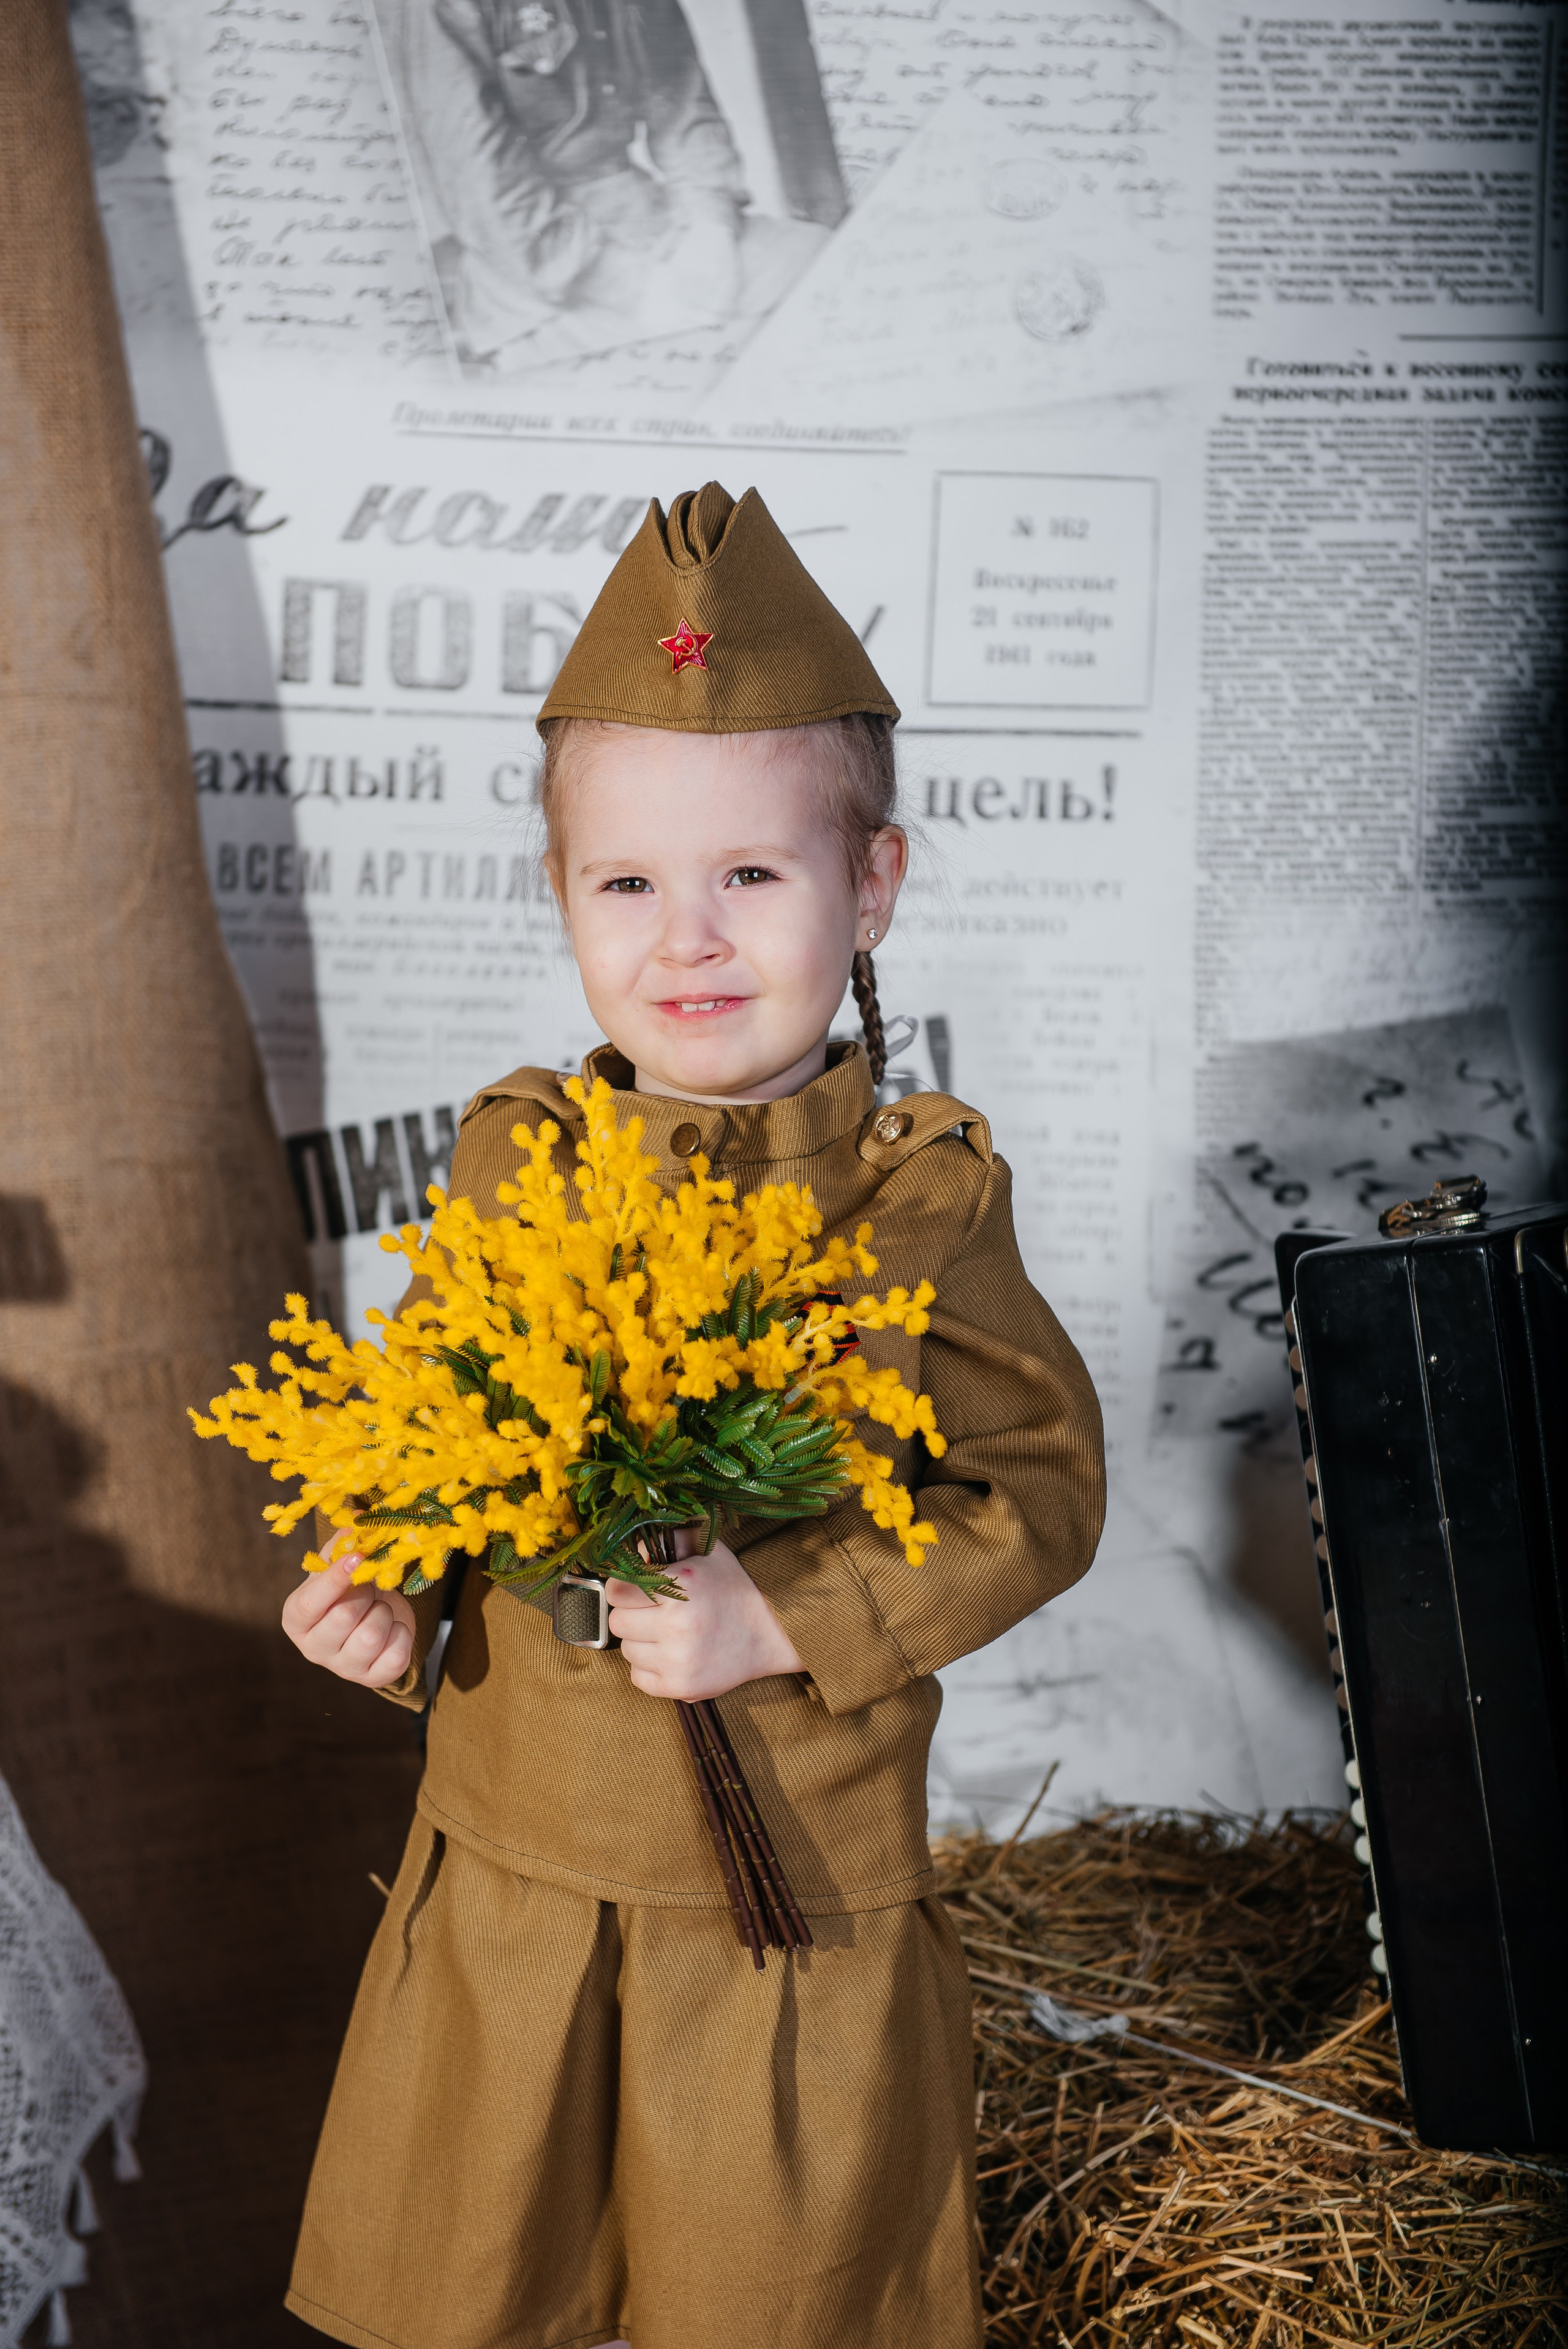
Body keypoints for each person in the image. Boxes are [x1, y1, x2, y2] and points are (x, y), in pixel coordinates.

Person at [279, 480, 1106, 2349]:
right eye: (628, 882)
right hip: (508, 1873)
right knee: (471, 2296)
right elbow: (443, 1434)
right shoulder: (516, 1158)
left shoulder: (918, 1204)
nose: (691, 939)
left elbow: (1040, 1494)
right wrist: (389, 1596)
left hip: (782, 1910)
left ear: (868, 883)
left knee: (768, 2303)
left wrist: (782, 1615)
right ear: (561, 892)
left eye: (753, 873)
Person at [388, 0, 826, 369]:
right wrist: (634, 286)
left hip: (650, 221)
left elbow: (683, 112)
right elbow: (482, 189)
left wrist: (711, 230)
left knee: (818, 261)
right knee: (674, 367)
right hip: (536, 275)